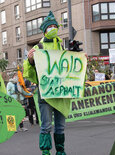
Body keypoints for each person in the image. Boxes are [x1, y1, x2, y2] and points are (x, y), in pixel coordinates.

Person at [24, 11, 83, 155]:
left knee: (60, 127)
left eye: (54, 26)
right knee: (45, 127)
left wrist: (80, 58)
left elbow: (71, 68)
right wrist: (31, 61)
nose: (52, 29)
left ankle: (60, 152)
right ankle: (46, 152)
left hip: (61, 95)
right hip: (46, 95)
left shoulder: (61, 47)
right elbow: (29, 72)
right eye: (49, 27)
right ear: (44, 31)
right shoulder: (38, 48)